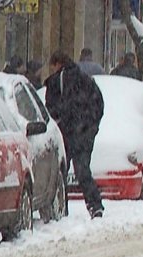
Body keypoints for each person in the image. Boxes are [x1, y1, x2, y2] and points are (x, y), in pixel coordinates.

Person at [44, 50, 105, 219]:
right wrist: (91, 126)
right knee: (83, 170)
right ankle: (95, 204)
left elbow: (51, 111)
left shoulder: (57, 82)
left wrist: (62, 123)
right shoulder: (86, 79)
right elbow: (98, 104)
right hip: (85, 134)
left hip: (67, 134)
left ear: (57, 64)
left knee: (61, 171)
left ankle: (61, 208)